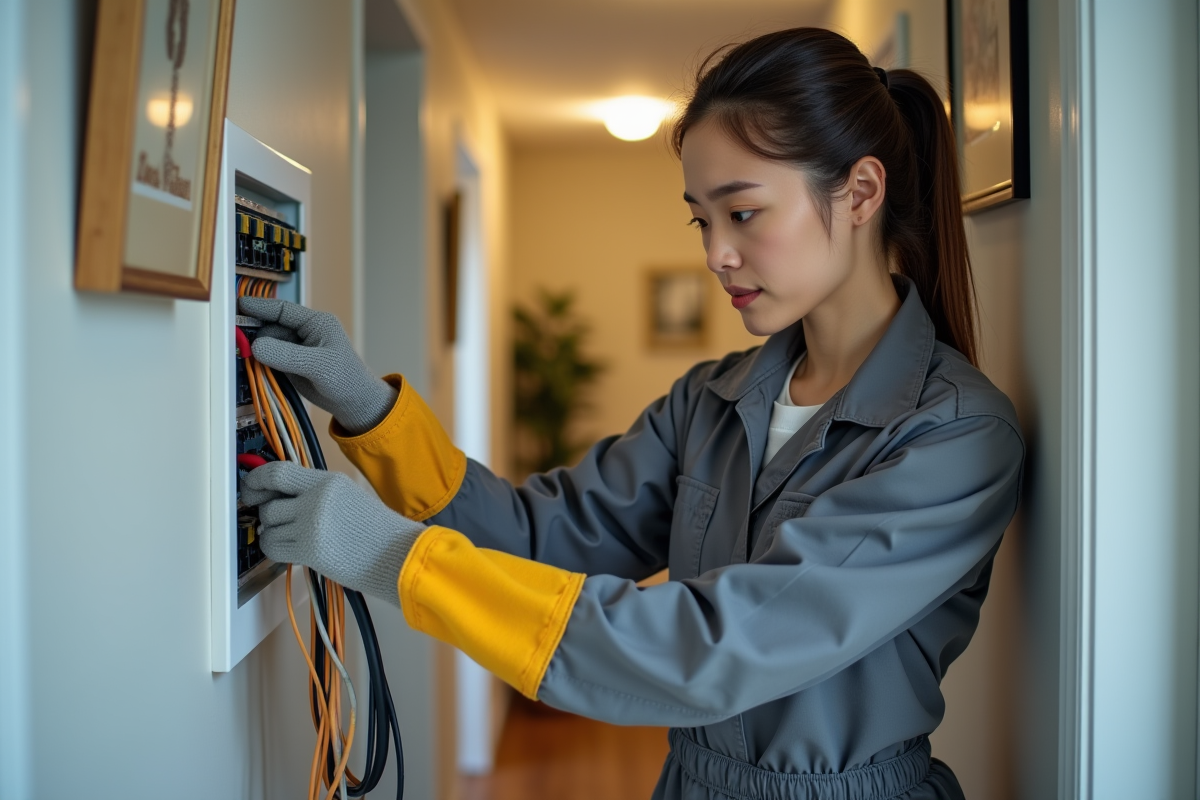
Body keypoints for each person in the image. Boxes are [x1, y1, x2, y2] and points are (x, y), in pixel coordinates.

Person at [239, 27, 1024, 800]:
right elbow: (540, 537)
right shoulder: (709, 400)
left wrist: (391, 556)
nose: (715, 252)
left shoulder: (956, 437)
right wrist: (371, 410)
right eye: (701, 219)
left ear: (859, 193)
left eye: (742, 213)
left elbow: (712, 651)